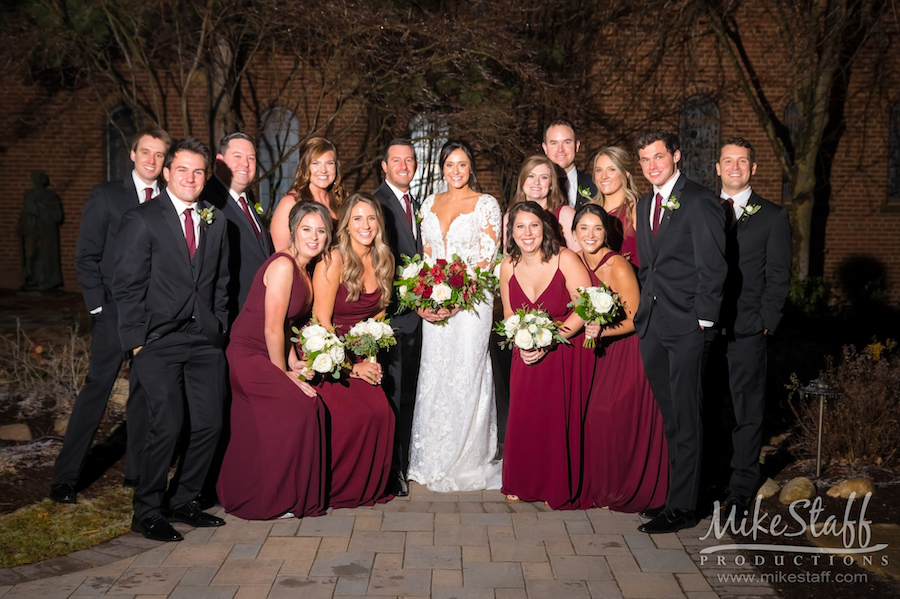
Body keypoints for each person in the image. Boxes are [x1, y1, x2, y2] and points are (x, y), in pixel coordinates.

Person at [113, 137, 230, 542]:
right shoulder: (142, 218)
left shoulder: (216, 220)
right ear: (166, 173)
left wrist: (219, 326)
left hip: (204, 341)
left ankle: (184, 501)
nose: (190, 178)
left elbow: (220, 283)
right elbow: (126, 287)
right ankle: (146, 510)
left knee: (211, 424)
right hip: (157, 341)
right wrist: (137, 343)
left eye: (198, 171)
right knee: (168, 424)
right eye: (182, 169)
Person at [50, 127, 172, 504]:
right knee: (96, 391)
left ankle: (135, 473)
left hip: (152, 313)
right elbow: (85, 256)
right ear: (132, 154)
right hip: (114, 311)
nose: (152, 160)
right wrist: (99, 306)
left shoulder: (169, 199)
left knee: (143, 393)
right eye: (146, 152)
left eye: (159, 155)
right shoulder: (106, 196)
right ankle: (65, 478)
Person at [632, 129, 726, 534]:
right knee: (671, 417)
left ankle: (685, 508)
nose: (652, 165)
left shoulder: (700, 201)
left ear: (676, 156)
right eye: (645, 160)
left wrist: (703, 321)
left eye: (658, 157)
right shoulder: (644, 204)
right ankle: (674, 497)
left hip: (687, 326)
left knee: (688, 417)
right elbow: (649, 267)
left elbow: (714, 265)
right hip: (653, 325)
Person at [217, 201, 332, 520]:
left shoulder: (305, 270)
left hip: (268, 350)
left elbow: (287, 324)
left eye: (321, 231)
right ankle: (273, 497)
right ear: (293, 230)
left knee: (311, 403)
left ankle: (289, 494)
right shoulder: (283, 265)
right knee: (302, 406)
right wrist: (284, 373)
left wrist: (295, 361)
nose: (314, 236)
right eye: (307, 229)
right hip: (249, 354)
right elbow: (270, 326)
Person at [408, 139, 503, 492]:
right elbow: (428, 256)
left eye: (462, 164)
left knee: (467, 371)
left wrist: (457, 299)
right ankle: (430, 455)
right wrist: (428, 298)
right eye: (450, 164)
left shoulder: (486, 204)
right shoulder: (429, 203)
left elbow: (486, 259)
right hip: (436, 303)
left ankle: (467, 457)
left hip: (472, 304)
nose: (456, 171)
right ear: (442, 167)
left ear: (471, 167)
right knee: (435, 373)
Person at [712, 137, 791, 517]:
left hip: (747, 329)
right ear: (717, 168)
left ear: (753, 168)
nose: (734, 167)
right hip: (705, 328)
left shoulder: (772, 216)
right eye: (728, 161)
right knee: (707, 406)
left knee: (746, 411)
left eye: (742, 162)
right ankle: (709, 480)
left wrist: (764, 325)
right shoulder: (703, 209)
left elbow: (778, 278)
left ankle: (741, 489)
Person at [575, 204, 669, 512]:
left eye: (597, 228)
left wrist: (603, 329)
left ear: (607, 233)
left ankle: (622, 488)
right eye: (584, 228)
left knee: (607, 413)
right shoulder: (574, 262)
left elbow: (637, 318)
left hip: (627, 350)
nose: (591, 235)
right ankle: (599, 484)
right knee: (588, 416)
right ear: (574, 233)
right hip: (596, 354)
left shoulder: (616, 265)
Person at [498, 201, 592, 508]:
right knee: (524, 417)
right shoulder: (507, 265)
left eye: (534, 225)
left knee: (553, 419)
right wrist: (523, 344)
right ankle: (522, 479)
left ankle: (554, 483)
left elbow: (585, 307)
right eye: (520, 226)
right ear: (511, 232)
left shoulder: (565, 258)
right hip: (524, 351)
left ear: (544, 228)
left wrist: (550, 341)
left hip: (562, 352)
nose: (528, 233)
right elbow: (511, 313)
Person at [312, 193, 396, 508]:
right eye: (357, 218)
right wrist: (350, 367)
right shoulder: (333, 259)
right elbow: (321, 321)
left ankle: (367, 487)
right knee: (355, 415)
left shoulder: (382, 258)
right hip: (328, 353)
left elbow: (377, 317)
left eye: (371, 218)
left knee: (382, 413)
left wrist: (370, 360)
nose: (365, 225)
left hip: (361, 351)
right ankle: (334, 488)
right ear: (346, 224)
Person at [372, 139, 422, 497]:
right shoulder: (377, 204)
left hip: (421, 319)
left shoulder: (417, 205)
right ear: (384, 166)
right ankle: (391, 470)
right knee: (392, 395)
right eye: (396, 160)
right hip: (392, 316)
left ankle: (406, 462)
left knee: (411, 396)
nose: (404, 165)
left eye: (410, 160)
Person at [201, 132, 273, 325]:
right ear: (220, 161)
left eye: (251, 158)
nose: (246, 164)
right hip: (232, 317)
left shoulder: (246, 201)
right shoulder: (207, 203)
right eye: (238, 156)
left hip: (259, 315)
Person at [269, 137, 344, 249]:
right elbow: (281, 255)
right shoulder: (290, 203)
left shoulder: (342, 199)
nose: (323, 170)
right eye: (315, 163)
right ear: (305, 166)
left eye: (329, 163)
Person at [503, 155, 578, 251]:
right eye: (531, 176)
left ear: (551, 184)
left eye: (543, 177)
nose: (536, 182)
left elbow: (578, 255)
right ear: (522, 181)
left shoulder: (565, 214)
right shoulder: (509, 217)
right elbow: (506, 257)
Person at [589, 146, 640, 266]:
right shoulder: (589, 211)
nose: (603, 176)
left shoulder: (635, 210)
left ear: (626, 173)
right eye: (598, 170)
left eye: (611, 169)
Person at [542, 118, 597, 210]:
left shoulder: (595, 185)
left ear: (577, 146)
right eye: (554, 143)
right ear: (545, 148)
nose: (560, 149)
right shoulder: (536, 186)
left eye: (567, 142)